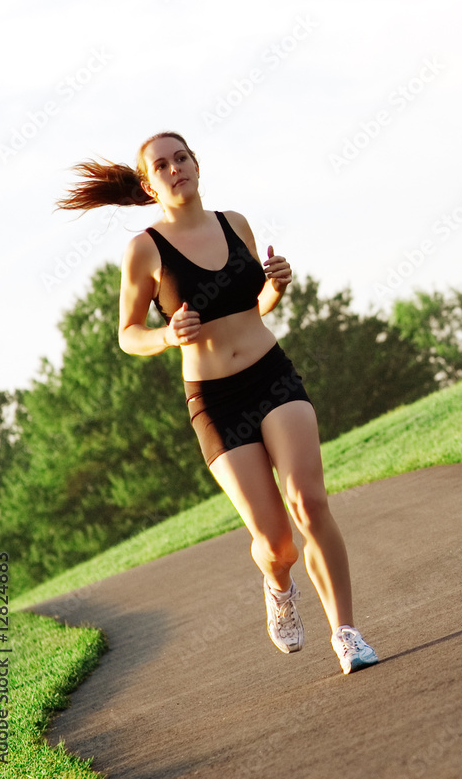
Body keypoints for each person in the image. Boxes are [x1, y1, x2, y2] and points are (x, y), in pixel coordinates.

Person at [56, 130, 378, 674]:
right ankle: (278, 585)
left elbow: (257, 306)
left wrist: (276, 284)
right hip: (215, 402)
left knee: (309, 503)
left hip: (272, 377)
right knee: (276, 541)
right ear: (149, 184)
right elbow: (128, 333)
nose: (175, 168)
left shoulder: (236, 224)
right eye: (162, 164)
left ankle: (345, 633)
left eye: (182, 157)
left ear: (197, 164)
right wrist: (166, 336)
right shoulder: (144, 250)